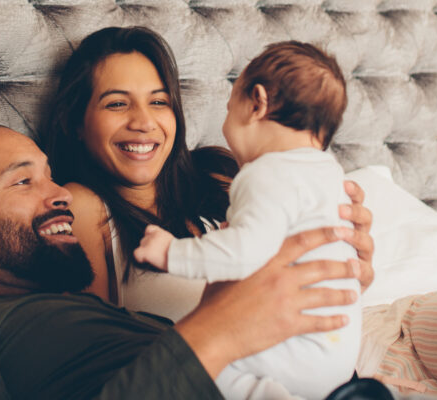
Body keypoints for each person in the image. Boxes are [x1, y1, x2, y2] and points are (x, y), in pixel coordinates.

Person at [40, 26, 437, 398]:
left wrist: (352, 267)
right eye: (117, 103)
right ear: (76, 121)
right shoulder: (84, 207)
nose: (144, 121)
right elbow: (99, 359)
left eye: (160, 101)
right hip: (281, 377)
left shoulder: (222, 173)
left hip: (370, 329)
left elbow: (309, 256)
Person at [0, 125, 364, 399]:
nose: (60, 196)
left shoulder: (124, 322)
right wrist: (212, 336)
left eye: (52, 177)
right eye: (24, 181)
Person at [133, 41, 361, 400]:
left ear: (257, 103)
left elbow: (243, 254)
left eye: (228, 108)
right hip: (338, 351)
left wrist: (171, 253)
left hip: (294, 349)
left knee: (208, 372)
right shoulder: (330, 175)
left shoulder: (265, 173)